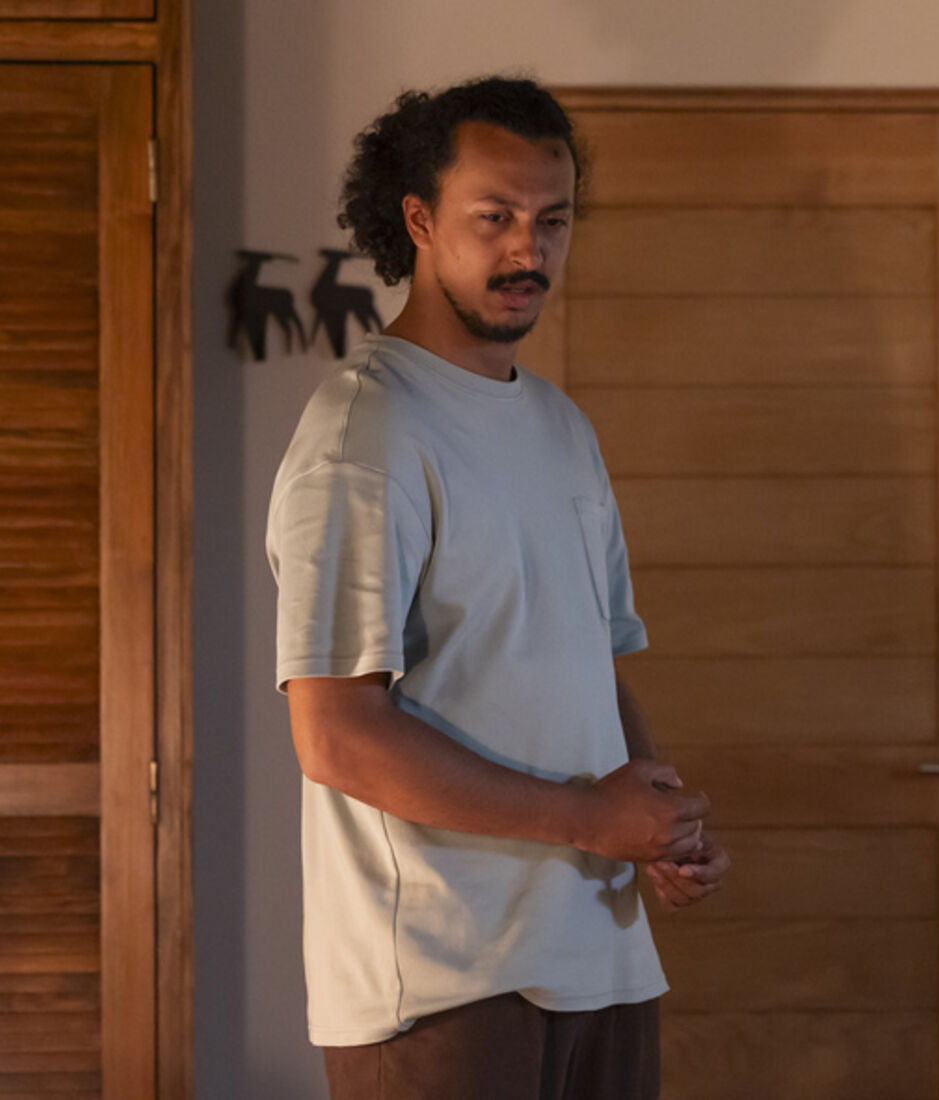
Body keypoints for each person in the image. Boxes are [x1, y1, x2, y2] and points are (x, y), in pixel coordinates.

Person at [266, 75, 729, 1100]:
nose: (528, 249)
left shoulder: (560, 427)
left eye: (552, 220)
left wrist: (654, 819)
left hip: (599, 959)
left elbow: (587, 665)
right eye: (495, 217)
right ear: (420, 220)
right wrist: (589, 819)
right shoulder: (366, 433)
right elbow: (335, 735)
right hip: (443, 984)